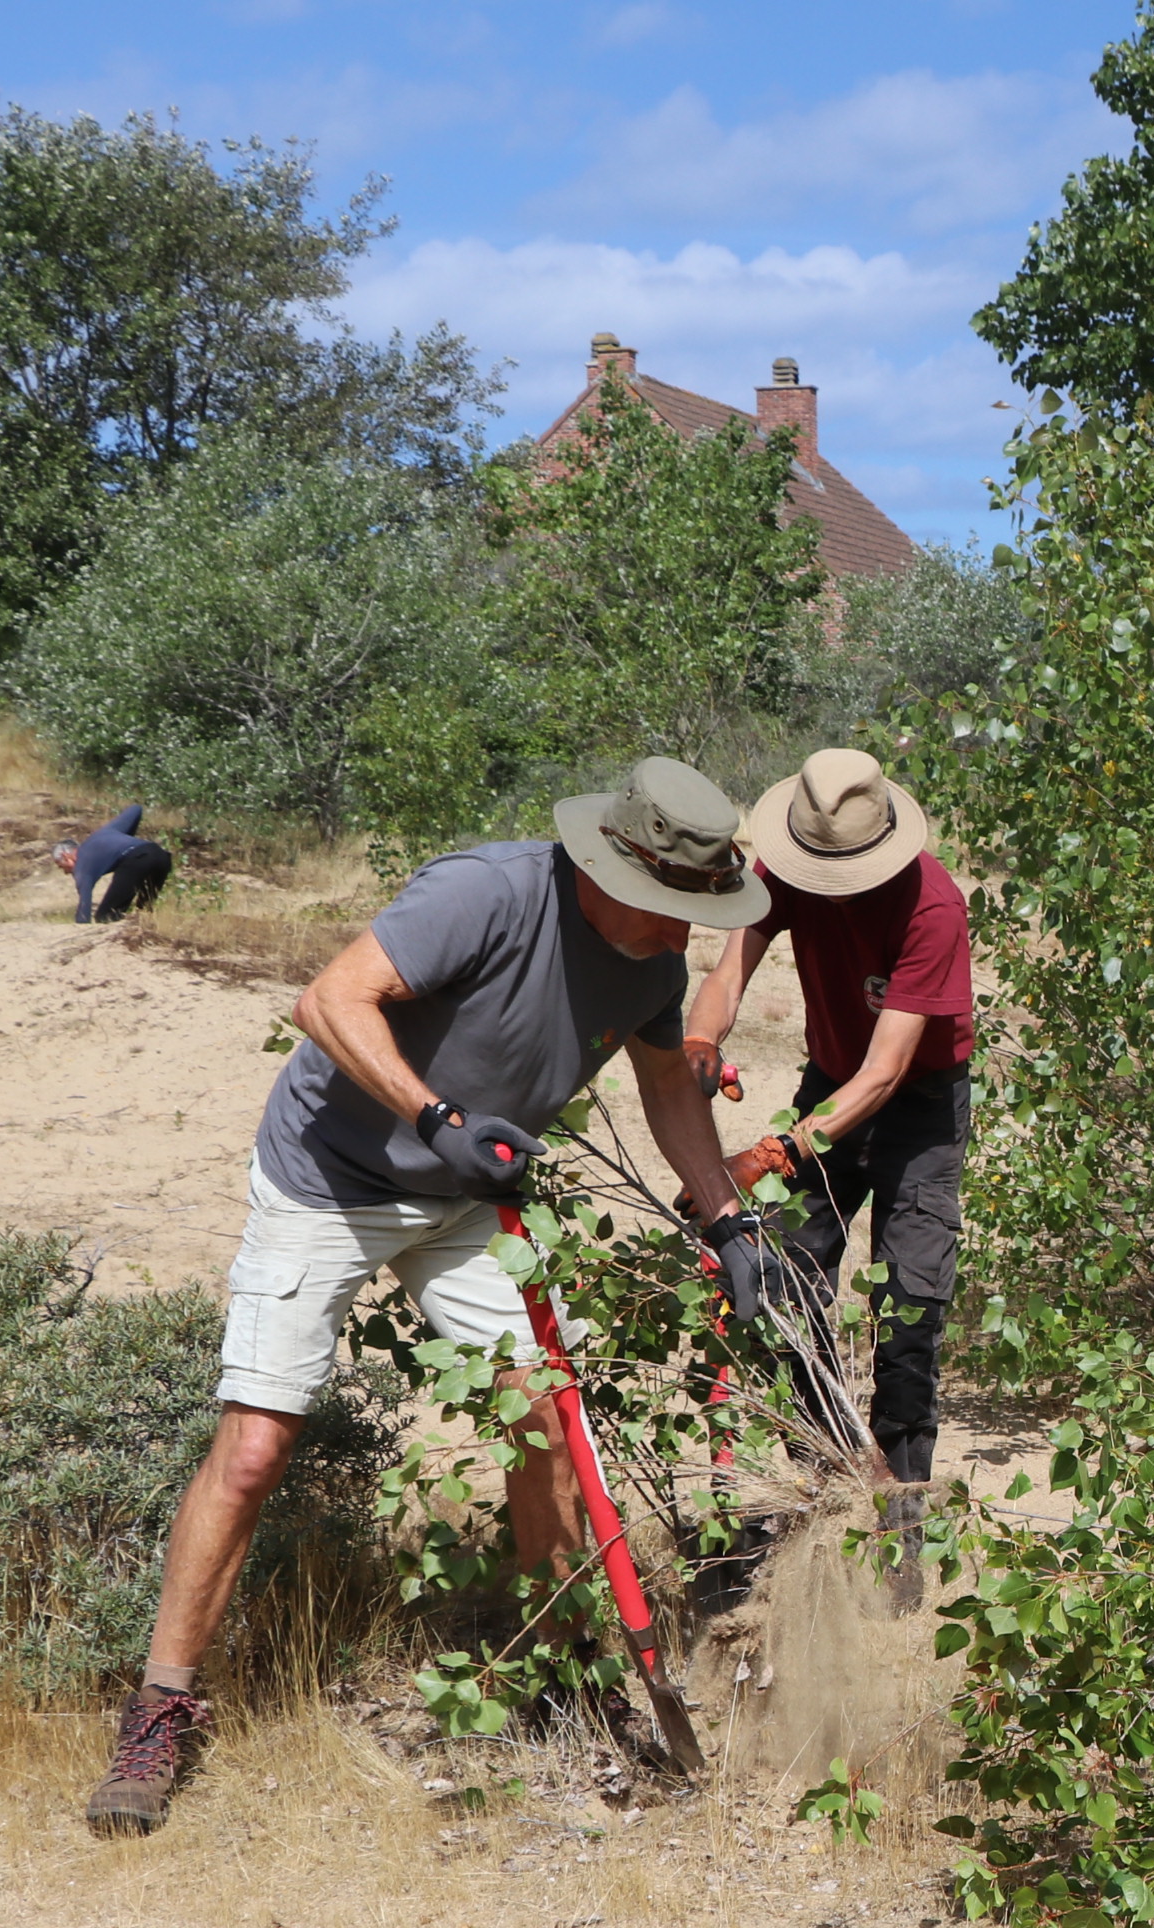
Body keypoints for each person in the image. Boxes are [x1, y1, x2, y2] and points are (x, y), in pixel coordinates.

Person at [91, 759, 769, 1839]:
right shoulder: (487, 894)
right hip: (333, 1177)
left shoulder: (652, 962)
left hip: (467, 1194)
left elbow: (662, 1089)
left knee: (545, 1411)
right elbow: (329, 998)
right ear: (613, 867)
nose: (680, 929)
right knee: (260, 1445)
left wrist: (726, 1218)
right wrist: (440, 1114)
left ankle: (557, 1670)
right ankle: (160, 1708)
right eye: (669, 905)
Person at [682, 750, 973, 1562]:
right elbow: (729, 970)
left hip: (917, 1106)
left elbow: (885, 1076)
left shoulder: (933, 907)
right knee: (785, 1277)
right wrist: (702, 1039)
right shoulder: (787, 871)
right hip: (830, 1081)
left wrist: (772, 1151)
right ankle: (830, 1479)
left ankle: (904, 1528)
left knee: (910, 1309)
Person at [60, 805, 174, 924]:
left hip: (138, 860)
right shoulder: (104, 833)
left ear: (66, 856)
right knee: (143, 914)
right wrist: (127, 840)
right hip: (162, 857)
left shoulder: (82, 863)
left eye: (61, 865)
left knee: (106, 916)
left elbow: (84, 904)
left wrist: (81, 926)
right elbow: (136, 809)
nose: (65, 872)